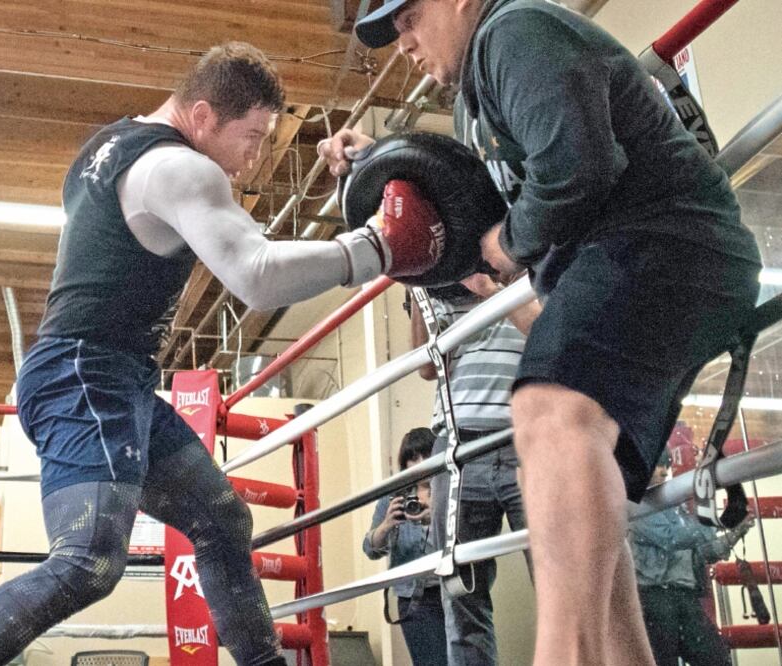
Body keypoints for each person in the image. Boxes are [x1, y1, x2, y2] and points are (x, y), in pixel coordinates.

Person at [0, 41, 444, 666]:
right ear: (202, 117)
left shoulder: (109, 146)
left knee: (221, 520)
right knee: (88, 560)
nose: (253, 158)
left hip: (109, 377)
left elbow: (248, 244)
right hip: (85, 373)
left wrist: (351, 187)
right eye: (251, 137)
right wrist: (378, 249)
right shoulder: (182, 169)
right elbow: (257, 274)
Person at [319, 1, 762, 663]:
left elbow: (573, 169)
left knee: (545, 410)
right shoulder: (477, 97)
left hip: (660, 245)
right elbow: (487, 211)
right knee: (586, 474)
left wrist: (513, 239)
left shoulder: (514, 32)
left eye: (409, 17)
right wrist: (378, 164)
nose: (403, 44)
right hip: (644, 260)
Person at [413, 275, 538, 664]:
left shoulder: (537, 268)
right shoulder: (447, 281)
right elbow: (427, 366)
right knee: (462, 596)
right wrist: (415, 284)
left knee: (562, 582)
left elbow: (548, 333)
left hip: (528, 438)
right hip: (457, 443)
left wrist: (492, 292)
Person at [630, 451, 751, 666]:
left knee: (717, 660)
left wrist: (735, 533)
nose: (664, 471)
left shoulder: (674, 505)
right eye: (659, 465)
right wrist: (717, 522)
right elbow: (673, 539)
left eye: (665, 465)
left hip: (684, 598)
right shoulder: (637, 504)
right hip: (655, 598)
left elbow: (702, 552)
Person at [363, 427, 446, 665]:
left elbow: (465, 537)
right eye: (413, 458)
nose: (420, 464)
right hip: (414, 597)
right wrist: (387, 524)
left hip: (451, 589)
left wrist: (435, 514)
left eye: (425, 455)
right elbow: (370, 549)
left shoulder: (450, 489)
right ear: (405, 462)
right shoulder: (394, 497)